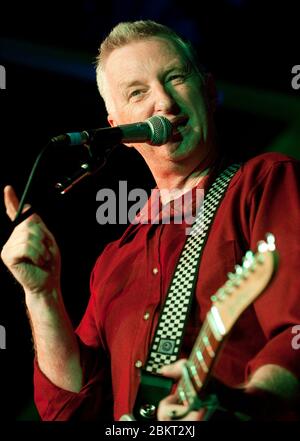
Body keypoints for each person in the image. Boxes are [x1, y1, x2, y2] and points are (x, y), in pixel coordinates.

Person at [1, 20, 300, 421]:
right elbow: (70, 411)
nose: (163, 102)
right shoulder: (114, 260)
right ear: (117, 128)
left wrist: (247, 407)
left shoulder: (264, 182)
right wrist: (43, 295)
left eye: (175, 78)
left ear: (209, 91)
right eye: (137, 92)